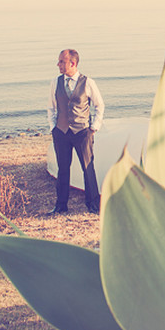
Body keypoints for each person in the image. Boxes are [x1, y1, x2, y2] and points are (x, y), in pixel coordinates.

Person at [47, 49, 104, 215]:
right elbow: (51, 107)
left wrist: (93, 127)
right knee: (63, 169)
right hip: (61, 133)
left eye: (61, 62)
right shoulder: (55, 82)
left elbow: (99, 105)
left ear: (72, 63)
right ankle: (61, 205)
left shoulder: (88, 82)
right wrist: (53, 127)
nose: (58, 65)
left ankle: (93, 205)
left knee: (88, 168)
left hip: (82, 132)